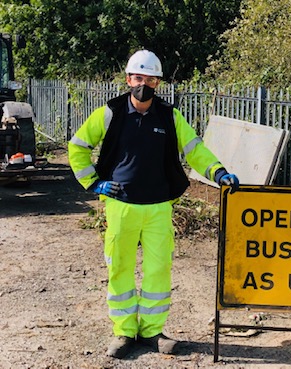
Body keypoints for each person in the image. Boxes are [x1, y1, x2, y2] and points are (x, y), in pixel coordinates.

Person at [68, 49, 240, 359]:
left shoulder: (169, 116)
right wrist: (94, 183)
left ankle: (151, 332)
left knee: (158, 270)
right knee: (119, 267)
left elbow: (195, 149)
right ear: (127, 79)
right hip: (121, 205)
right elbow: (78, 146)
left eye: (150, 79)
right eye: (138, 78)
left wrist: (220, 172)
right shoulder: (110, 113)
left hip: (159, 206)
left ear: (158, 83)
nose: (143, 84)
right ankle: (123, 331)